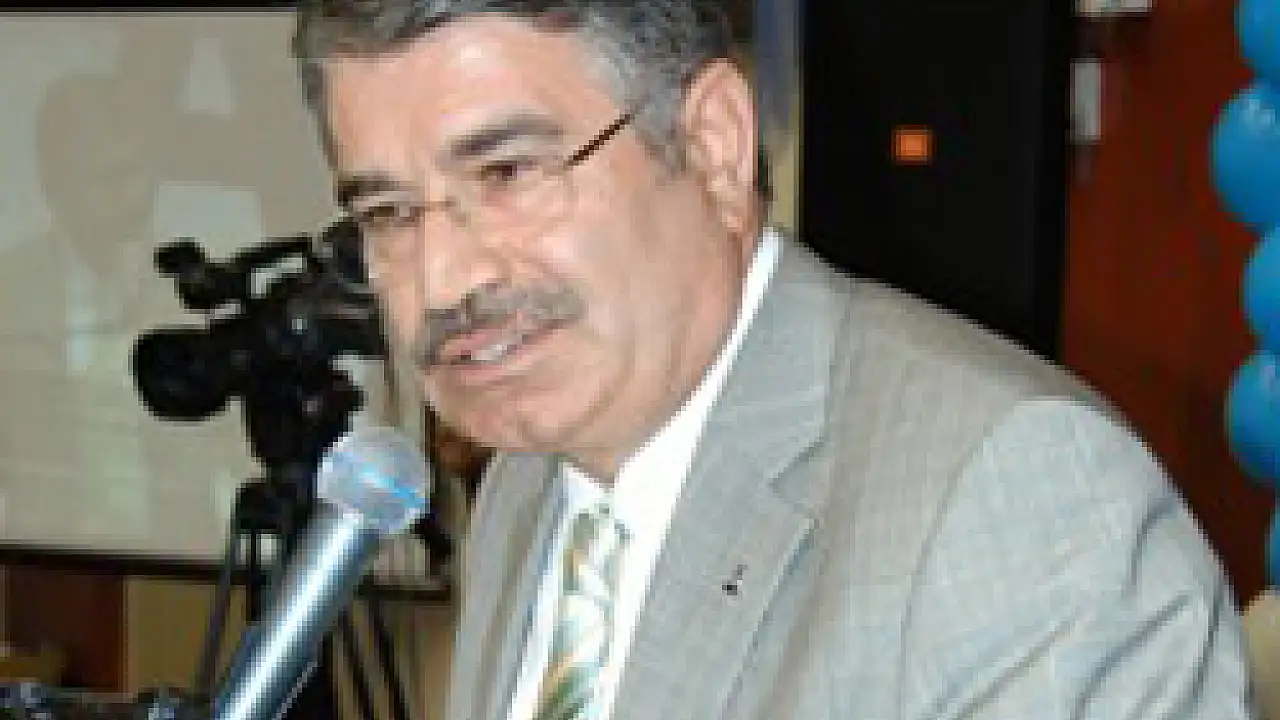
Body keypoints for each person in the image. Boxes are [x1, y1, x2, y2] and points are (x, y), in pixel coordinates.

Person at [290, 1, 1257, 718]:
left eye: (508, 173)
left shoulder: (1016, 499)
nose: (444, 278)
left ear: (713, 145)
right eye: (388, 213)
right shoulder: (531, 481)